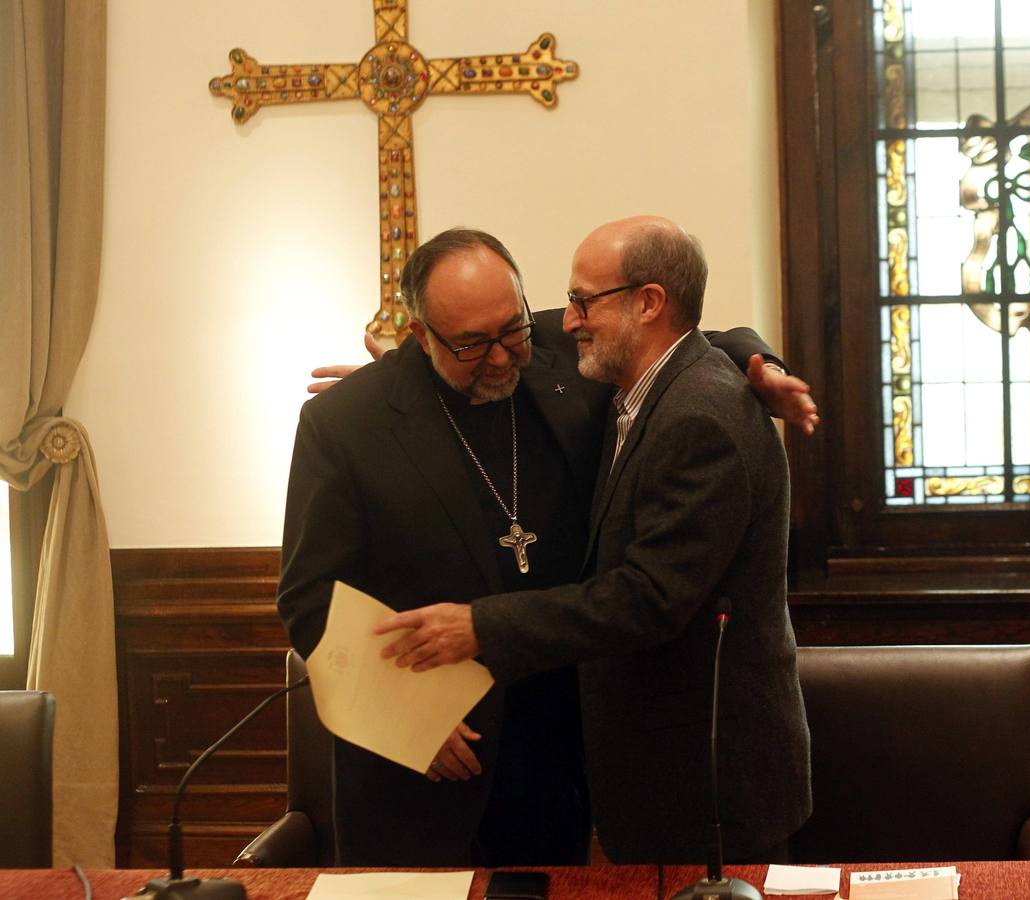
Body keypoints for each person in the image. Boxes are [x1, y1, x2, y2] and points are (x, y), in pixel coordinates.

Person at [278, 227, 816, 866]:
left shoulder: (566, 354)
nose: (504, 357)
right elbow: (309, 598)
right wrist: (404, 716)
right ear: (421, 336)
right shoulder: (346, 424)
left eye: (514, 330)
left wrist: (765, 367)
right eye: (472, 345)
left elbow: (694, 337)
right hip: (427, 765)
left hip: (561, 753)